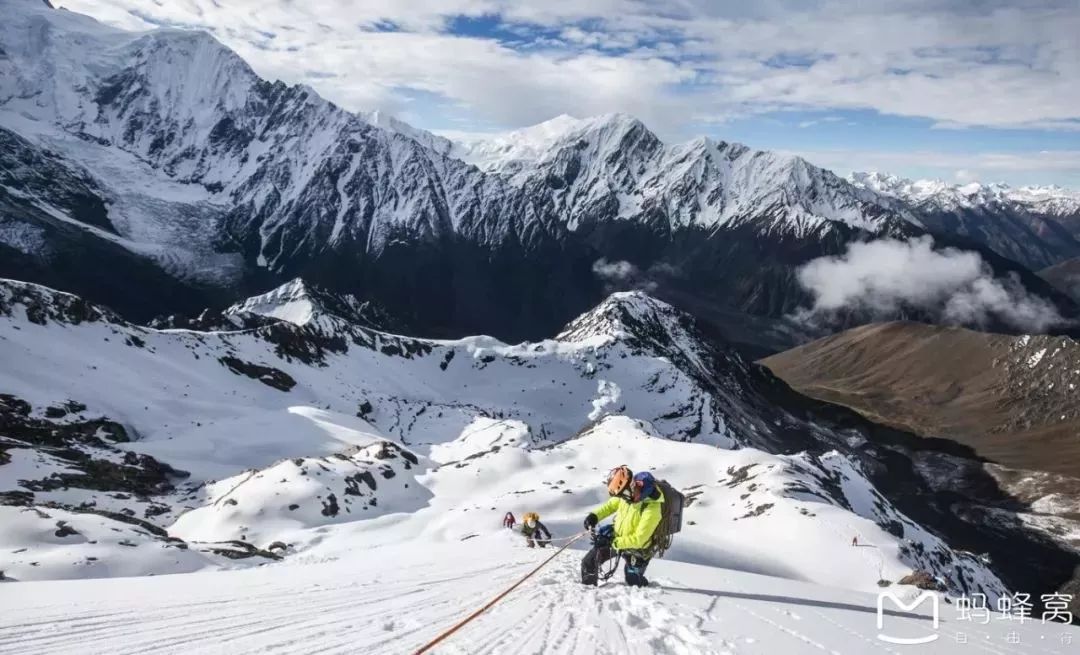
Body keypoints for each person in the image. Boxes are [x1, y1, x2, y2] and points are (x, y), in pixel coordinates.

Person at [581, 465, 664, 587]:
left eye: (622, 494)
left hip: (637, 550)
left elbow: (639, 540)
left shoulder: (652, 508)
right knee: (589, 563)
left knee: (633, 581)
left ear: (630, 487)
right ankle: (588, 596)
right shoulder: (626, 495)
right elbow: (610, 506)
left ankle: (645, 589)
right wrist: (595, 516)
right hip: (618, 538)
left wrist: (612, 542)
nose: (621, 498)